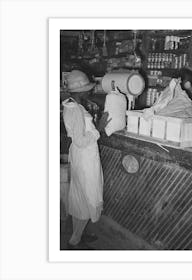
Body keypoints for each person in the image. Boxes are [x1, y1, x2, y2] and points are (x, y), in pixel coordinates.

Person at [62, 70, 110, 250]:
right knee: (86, 197)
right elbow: (81, 140)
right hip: (84, 158)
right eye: (86, 89)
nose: (89, 92)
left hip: (83, 156)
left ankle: (78, 234)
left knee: (81, 197)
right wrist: (99, 128)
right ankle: (74, 242)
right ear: (79, 91)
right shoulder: (74, 109)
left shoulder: (74, 105)